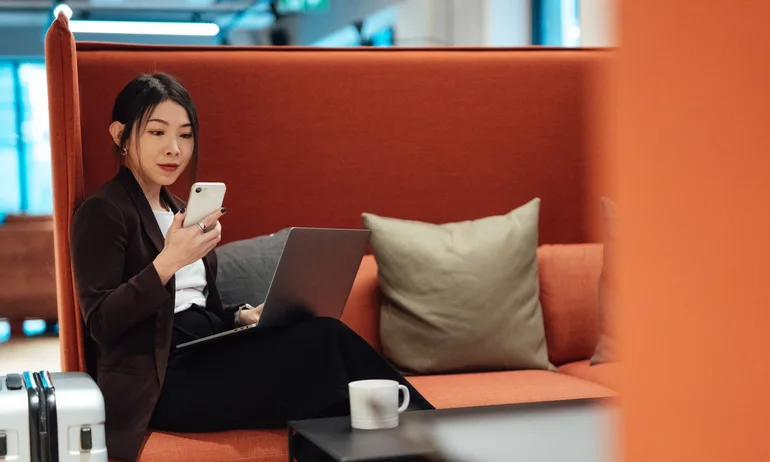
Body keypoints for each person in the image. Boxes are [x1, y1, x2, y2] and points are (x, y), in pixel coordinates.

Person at [70, 72, 433, 462]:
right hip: (161, 380)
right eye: (157, 133)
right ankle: (437, 434)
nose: (174, 148)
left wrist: (242, 316)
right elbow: (101, 322)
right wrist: (168, 261)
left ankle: (424, 438)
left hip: (202, 351)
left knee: (322, 349)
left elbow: (199, 311)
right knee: (323, 345)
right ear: (120, 135)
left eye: (185, 135)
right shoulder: (104, 210)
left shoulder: (181, 209)